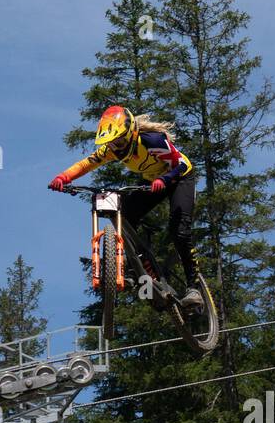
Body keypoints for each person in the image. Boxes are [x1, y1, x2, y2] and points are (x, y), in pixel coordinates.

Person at [48, 105, 204, 309]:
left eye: (119, 140)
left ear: (130, 134)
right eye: (112, 143)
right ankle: (136, 266)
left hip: (179, 178)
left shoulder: (152, 141)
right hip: (155, 181)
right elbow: (86, 164)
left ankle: (194, 288)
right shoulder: (111, 150)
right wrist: (63, 177)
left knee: (179, 231)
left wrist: (165, 179)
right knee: (125, 215)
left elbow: (181, 165)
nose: (116, 147)